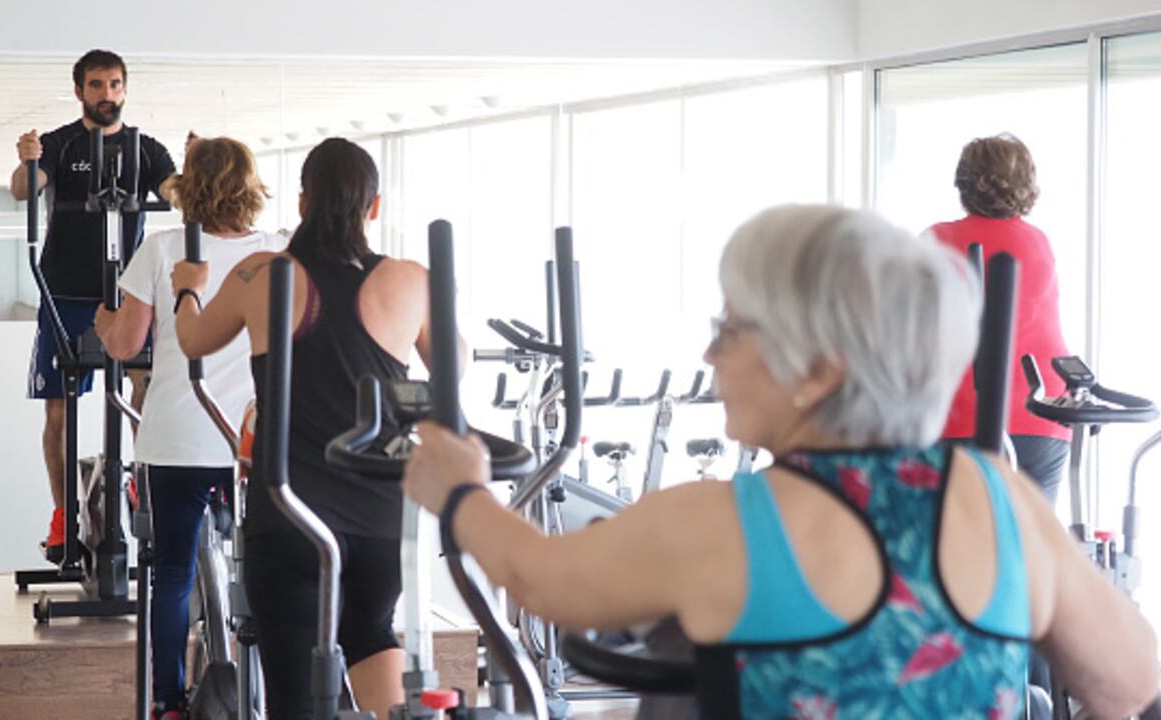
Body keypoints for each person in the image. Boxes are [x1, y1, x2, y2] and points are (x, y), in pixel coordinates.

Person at [402, 205, 1160, 718]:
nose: (710, 354)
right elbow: (1129, 681)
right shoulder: (1002, 498)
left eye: (731, 330)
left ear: (820, 368)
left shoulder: (721, 522)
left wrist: (461, 491)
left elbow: (538, 578)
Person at [171, 137, 463, 718]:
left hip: (290, 517)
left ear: (302, 203)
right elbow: (453, 374)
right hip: (381, 516)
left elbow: (192, 341)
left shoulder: (262, 273)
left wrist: (188, 287)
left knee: (298, 697)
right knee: (373, 634)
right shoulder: (410, 280)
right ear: (373, 208)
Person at [93, 136, 281, 720]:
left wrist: (103, 316)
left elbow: (125, 344)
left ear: (187, 188)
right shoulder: (279, 253)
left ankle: (168, 702)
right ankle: (277, 694)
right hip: (256, 440)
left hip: (178, 435)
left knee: (171, 572)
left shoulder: (164, 248)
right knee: (271, 571)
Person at [9, 48, 177, 563]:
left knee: (143, 392)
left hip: (129, 294)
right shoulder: (60, 143)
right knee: (59, 408)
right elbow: (23, 190)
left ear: (125, 89)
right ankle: (65, 517)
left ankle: (146, 494)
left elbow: (175, 192)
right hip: (66, 294)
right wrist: (29, 161)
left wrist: (199, 177)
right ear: (80, 90)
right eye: (97, 85)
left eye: (115, 85)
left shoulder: (146, 149)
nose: (108, 94)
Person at [929, 134, 1071, 504]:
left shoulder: (937, 240)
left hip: (963, 417)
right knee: (1028, 549)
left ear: (963, 184)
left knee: (959, 546)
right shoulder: (1039, 242)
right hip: (1043, 418)